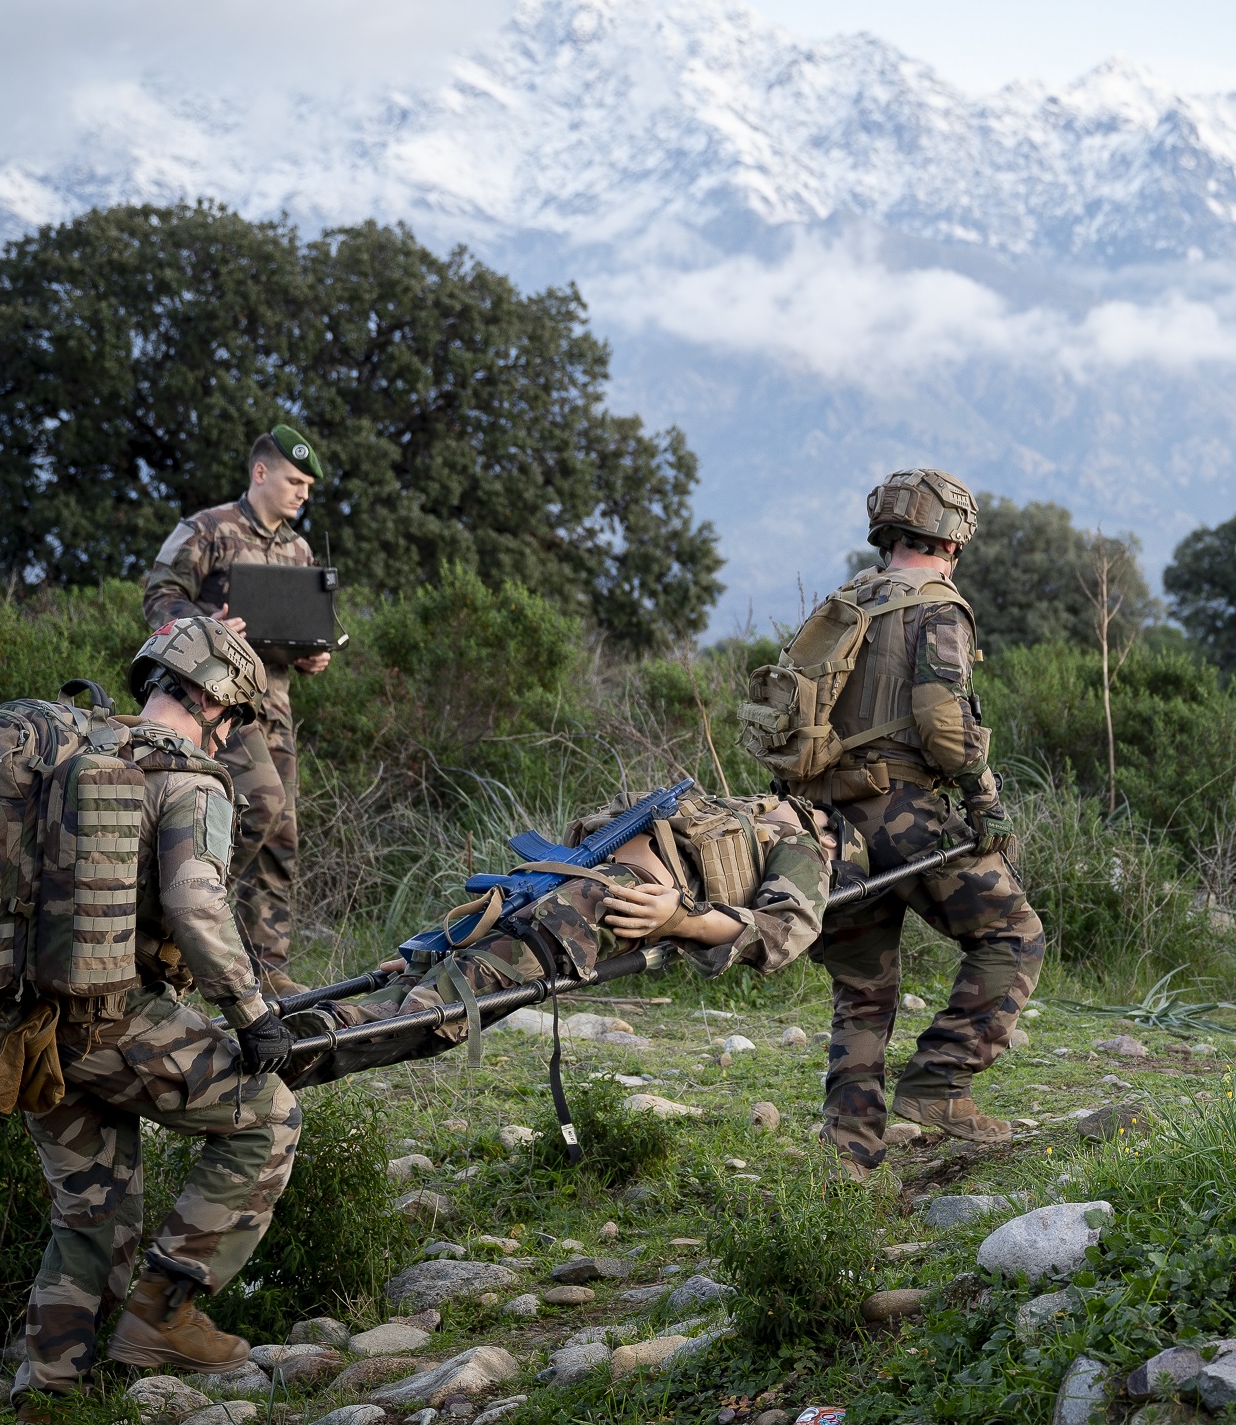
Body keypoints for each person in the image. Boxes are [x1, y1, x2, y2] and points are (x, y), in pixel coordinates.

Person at [6, 617, 302, 1419]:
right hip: (107, 1021)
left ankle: (50, 1388)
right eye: (235, 716)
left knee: (94, 1204)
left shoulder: (68, 751)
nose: (234, 732)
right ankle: (162, 1318)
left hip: (22, 1026)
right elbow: (196, 904)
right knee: (268, 1117)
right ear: (212, 700)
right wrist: (250, 1015)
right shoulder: (188, 778)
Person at [779, 468, 1046, 1175]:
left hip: (827, 819)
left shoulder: (845, 602)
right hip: (903, 811)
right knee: (1012, 935)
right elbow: (942, 717)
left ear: (887, 531)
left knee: (862, 992)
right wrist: (983, 798)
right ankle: (937, 1084)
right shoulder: (936, 606)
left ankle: (847, 1157)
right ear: (953, 537)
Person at [283, 790, 847, 1086]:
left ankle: (310, 1028)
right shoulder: (805, 847)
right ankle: (309, 1045)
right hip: (588, 906)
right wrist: (678, 921)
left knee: (440, 979)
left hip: (552, 884)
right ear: (834, 841)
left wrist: (677, 917)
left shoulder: (740, 807)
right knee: (446, 1010)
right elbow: (782, 930)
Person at [144, 424, 332, 993]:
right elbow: (159, 597)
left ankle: (264, 976)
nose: (303, 494)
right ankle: (172, 926)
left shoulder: (299, 550)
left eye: (308, 486)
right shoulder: (208, 528)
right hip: (214, 706)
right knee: (255, 807)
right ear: (261, 472)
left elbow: (300, 629)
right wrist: (208, 626)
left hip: (274, 707)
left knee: (280, 839)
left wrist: (311, 656)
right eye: (294, 481)